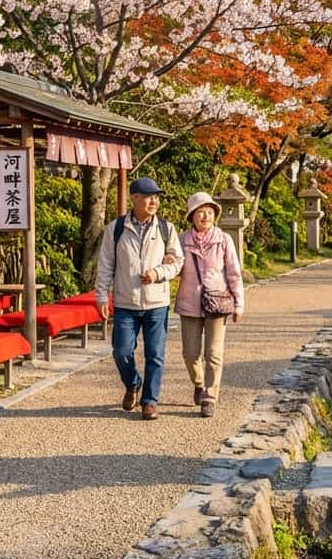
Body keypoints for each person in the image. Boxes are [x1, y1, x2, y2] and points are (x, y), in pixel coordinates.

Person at [95, 177, 183, 420]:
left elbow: (177, 263)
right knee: (121, 351)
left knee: (155, 354)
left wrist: (158, 273)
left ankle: (149, 400)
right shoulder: (117, 228)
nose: (154, 200)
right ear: (134, 198)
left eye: (156, 196)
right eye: (148, 196)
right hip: (125, 302)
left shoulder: (166, 228)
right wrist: (102, 296)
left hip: (157, 303)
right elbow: (105, 265)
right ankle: (132, 382)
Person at [176, 192, 245, 418]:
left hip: (217, 302)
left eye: (209, 211)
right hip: (189, 302)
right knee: (190, 353)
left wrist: (239, 303)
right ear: (191, 216)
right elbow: (173, 266)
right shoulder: (181, 240)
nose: (205, 216)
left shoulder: (224, 240)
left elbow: (234, 273)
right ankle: (198, 383)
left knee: (214, 353)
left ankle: (210, 395)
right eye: (199, 212)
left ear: (214, 214)